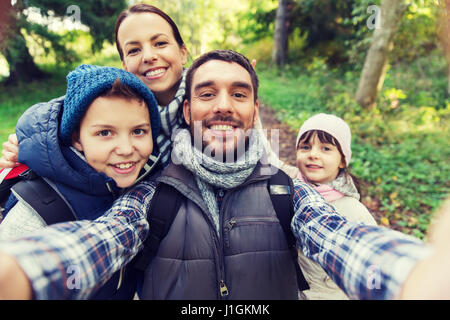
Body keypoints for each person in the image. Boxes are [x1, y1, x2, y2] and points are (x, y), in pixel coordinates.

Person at [0, 50, 448, 300]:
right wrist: (22, 270)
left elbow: (338, 237)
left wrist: (413, 275)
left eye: (240, 93)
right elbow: (103, 239)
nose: (223, 105)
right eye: (207, 92)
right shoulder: (152, 189)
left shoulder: (285, 187)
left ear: (254, 111)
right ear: (188, 108)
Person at [0, 3, 294, 177]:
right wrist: (28, 144)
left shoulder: (213, 102)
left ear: (182, 52)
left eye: (160, 43)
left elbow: (267, 162)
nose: (149, 56)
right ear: (124, 64)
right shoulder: (115, 102)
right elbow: (66, 110)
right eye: (134, 49)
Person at [0, 64, 161, 299]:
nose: (127, 149)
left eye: (138, 131)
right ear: (77, 138)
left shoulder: (133, 180)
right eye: (105, 133)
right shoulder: (34, 212)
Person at [294, 113, 377, 300]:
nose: (313, 154)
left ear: (342, 160)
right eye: (305, 147)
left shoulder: (353, 211)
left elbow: (374, 264)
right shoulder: (289, 191)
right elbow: (270, 158)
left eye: (326, 148)